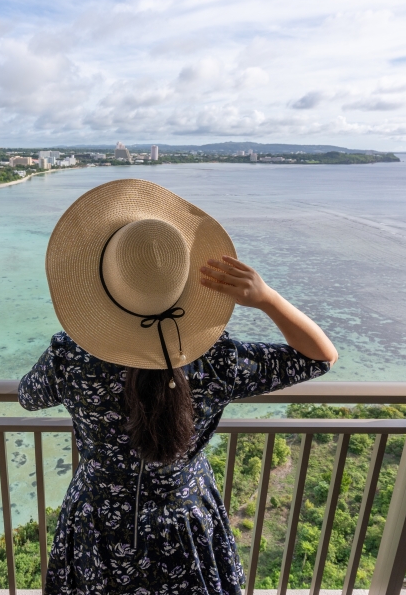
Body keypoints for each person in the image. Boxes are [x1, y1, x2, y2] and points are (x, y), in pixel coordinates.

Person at [19, 179, 337, 594]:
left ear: (104, 285)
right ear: (181, 283)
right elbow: (320, 357)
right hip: (184, 525)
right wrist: (266, 298)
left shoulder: (72, 357)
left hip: (98, 522)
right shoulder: (217, 362)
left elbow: (28, 396)